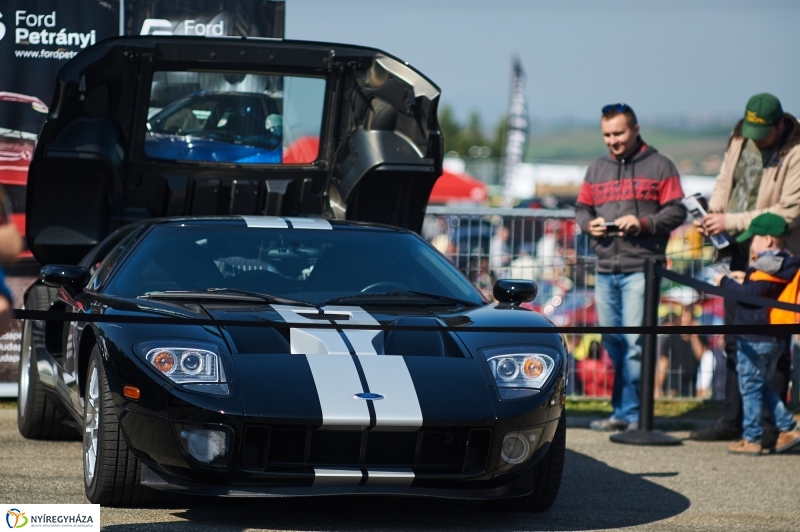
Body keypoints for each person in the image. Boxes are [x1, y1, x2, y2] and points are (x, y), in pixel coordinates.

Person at [693, 93, 800, 443]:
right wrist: (713, 218)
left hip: (775, 253)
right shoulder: (740, 136)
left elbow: (789, 212)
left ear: (780, 124)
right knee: (736, 340)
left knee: (771, 343)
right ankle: (734, 420)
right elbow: (726, 182)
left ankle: (770, 427)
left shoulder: (795, 152)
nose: (756, 138)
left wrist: (731, 219)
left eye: (763, 132)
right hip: (736, 249)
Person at [575, 103, 687, 431]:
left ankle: (635, 414)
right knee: (613, 342)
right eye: (607, 134)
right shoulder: (596, 168)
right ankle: (623, 411)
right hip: (606, 267)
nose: (613, 140)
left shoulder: (661, 165)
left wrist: (642, 223)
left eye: (618, 133)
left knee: (636, 342)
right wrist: (588, 224)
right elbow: (581, 207)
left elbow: (677, 211)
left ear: (636, 129)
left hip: (642, 269)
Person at [713, 213, 800, 454]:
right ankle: (786, 426)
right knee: (758, 384)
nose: (751, 244)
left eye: (754, 239)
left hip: (754, 337)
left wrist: (725, 282)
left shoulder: (767, 266)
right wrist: (746, 279)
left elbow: (750, 297)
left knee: (751, 387)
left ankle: (753, 437)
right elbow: (762, 288)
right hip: (774, 338)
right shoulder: (785, 263)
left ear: (769, 240)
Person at [656, 309, 707, 398]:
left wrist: (694, 336)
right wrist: (658, 387)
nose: (686, 324)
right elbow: (663, 363)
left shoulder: (699, 339)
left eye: (689, 321)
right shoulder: (672, 339)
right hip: (673, 382)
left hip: (692, 383)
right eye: (684, 321)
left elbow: (703, 358)